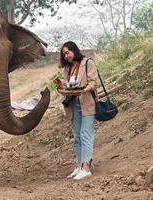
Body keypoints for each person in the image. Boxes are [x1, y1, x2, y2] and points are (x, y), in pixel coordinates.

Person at [54, 41, 99, 180]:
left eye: (67, 52)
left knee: (86, 135)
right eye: (64, 54)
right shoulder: (68, 68)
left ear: (74, 50)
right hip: (73, 106)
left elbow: (93, 82)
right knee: (77, 137)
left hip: (87, 104)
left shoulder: (88, 63)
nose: (66, 56)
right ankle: (80, 166)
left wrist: (85, 89)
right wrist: (62, 86)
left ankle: (87, 167)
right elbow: (68, 86)